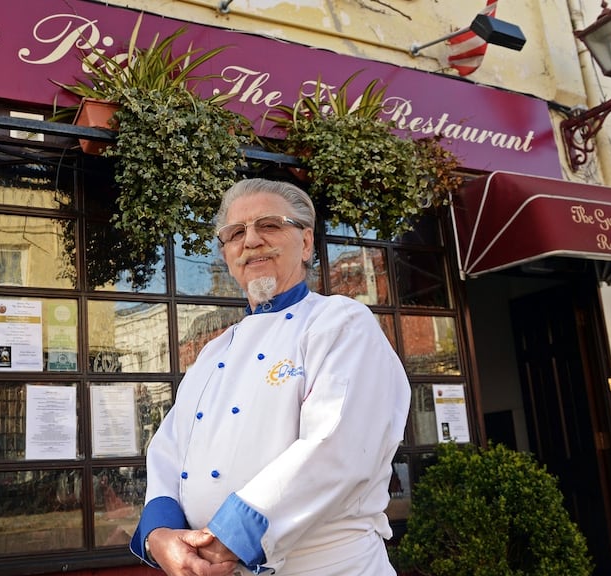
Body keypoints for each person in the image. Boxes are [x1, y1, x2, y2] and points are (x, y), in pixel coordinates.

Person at [130, 178, 411, 575]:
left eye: (270, 225)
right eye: (235, 233)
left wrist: (227, 538)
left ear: (307, 242)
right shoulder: (213, 351)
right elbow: (168, 450)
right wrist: (161, 535)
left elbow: (336, 448)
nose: (252, 241)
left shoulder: (341, 324)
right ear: (227, 254)